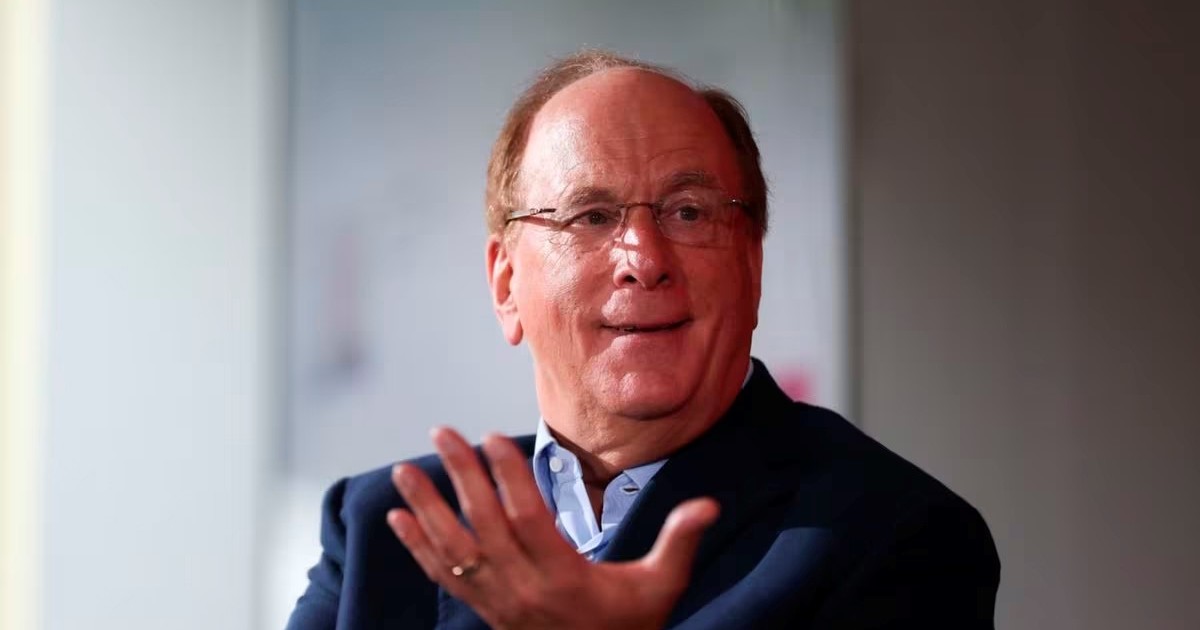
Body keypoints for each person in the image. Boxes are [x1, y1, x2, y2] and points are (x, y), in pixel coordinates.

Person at [286, 50, 1000, 629]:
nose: (644, 258)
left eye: (688, 212)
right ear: (506, 284)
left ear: (751, 266)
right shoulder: (382, 529)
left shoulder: (896, 535)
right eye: (590, 216)